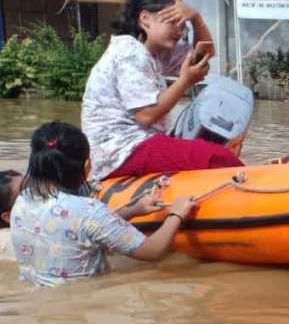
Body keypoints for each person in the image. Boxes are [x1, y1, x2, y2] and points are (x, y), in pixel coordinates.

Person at [9, 122, 197, 288]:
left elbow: (78, 230)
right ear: (87, 166)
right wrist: (176, 215)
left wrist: (134, 210)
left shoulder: (22, 201)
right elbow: (153, 250)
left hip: (39, 296)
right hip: (83, 301)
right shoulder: (88, 210)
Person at [81, 0, 243, 181]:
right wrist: (185, 81)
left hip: (140, 141)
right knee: (216, 156)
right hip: (121, 149)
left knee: (216, 140)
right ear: (145, 19)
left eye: (183, 26)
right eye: (173, 23)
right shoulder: (129, 51)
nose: (180, 32)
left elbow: (206, 53)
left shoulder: (156, 53)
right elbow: (146, 115)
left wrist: (196, 18)